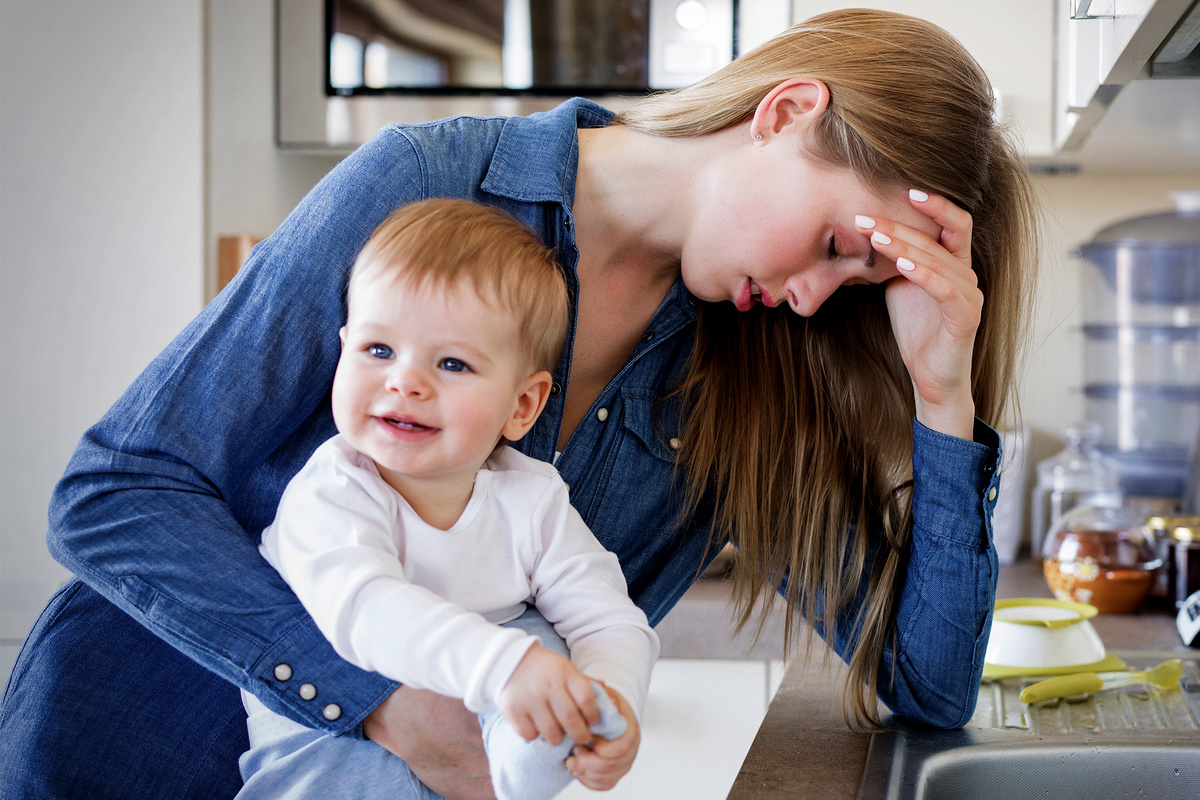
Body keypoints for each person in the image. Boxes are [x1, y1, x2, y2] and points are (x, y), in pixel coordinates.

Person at [0, 8, 1038, 799]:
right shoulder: (427, 182)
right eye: (832, 247)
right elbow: (117, 491)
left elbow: (927, 690)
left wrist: (943, 396)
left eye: (856, 283)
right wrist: (379, 707)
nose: (816, 295)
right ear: (787, 111)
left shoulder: (761, 371)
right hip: (124, 743)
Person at [235, 198, 657, 800]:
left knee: (550, 642)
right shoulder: (332, 492)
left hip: (472, 742)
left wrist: (608, 701)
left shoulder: (532, 500)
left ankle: (537, 745)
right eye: (379, 351)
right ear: (345, 347)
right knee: (524, 650)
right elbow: (367, 611)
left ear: (522, 407)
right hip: (329, 744)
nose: (405, 380)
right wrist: (504, 668)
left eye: (453, 363)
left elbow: (609, 617)